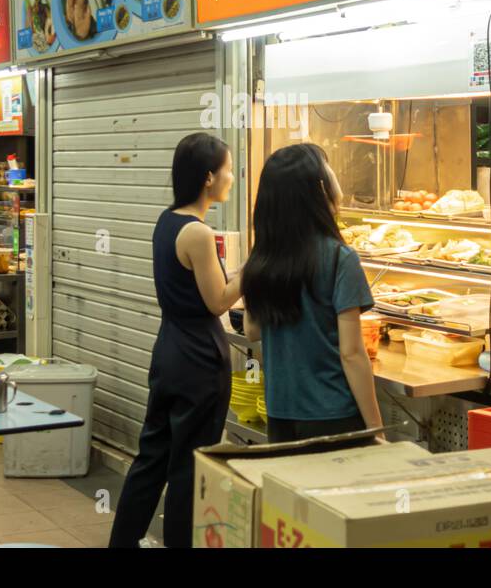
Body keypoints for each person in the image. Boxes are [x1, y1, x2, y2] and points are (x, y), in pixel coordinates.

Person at [109, 133, 242, 549]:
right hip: (199, 359)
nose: (232, 177)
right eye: (228, 169)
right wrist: (252, 270)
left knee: (152, 459)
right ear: (208, 178)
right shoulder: (198, 234)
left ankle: (123, 542)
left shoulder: (166, 222)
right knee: (189, 468)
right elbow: (218, 301)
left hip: (168, 352)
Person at [241, 143, 384, 443]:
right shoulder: (339, 258)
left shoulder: (263, 257)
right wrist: (376, 428)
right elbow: (352, 353)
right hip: (333, 416)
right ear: (320, 188)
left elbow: (251, 330)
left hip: (280, 415)